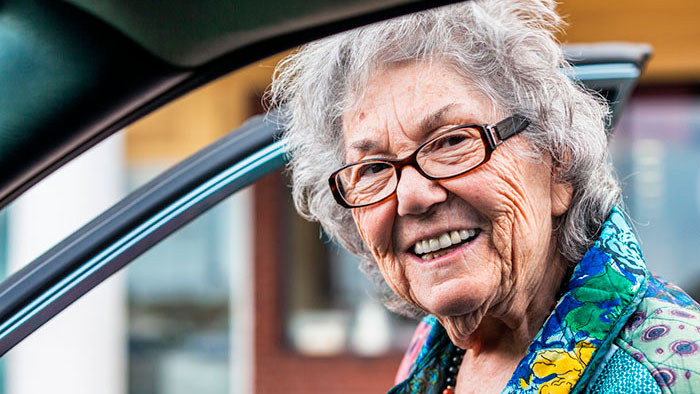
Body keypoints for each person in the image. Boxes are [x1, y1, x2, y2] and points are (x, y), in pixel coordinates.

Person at [269, 1, 700, 393]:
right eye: (375, 169)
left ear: (557, 164)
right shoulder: (433, 350)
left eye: (451, 142)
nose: (412, 196)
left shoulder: (675, 369)